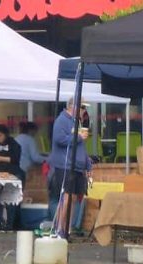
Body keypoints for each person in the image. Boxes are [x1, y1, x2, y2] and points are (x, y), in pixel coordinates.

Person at [48, 97, 92, 237]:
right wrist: (78, 137)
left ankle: (68, 229)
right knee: (66, 197)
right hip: (65, 165)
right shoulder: (61, 120)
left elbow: (80, 148)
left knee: (73, 198)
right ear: (73, 106)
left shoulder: (76, 122)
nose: (84, 111)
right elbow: (59, 139)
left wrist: (87, 164)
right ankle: (60, 229)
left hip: (77, 166)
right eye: (83, 107)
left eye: (84, 108)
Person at [0, 124, 23, 233]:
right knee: (1, 200)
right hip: (0, 175)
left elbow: (15, 158)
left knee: (10, 200)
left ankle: (10, 224)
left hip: (13, 174)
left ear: (5, 134)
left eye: (0, 136)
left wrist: (1, 158)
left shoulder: (13, 144)